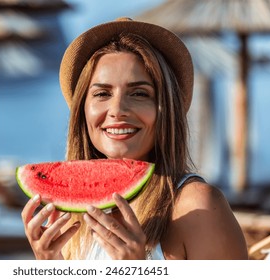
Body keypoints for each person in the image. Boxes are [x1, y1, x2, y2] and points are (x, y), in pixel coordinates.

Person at [21, 17, 248, 260]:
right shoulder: (71, 220)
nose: (117, 109)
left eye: (139, 93)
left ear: (165, 109)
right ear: (82, 111)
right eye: (102, 93)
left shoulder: (199, 207)